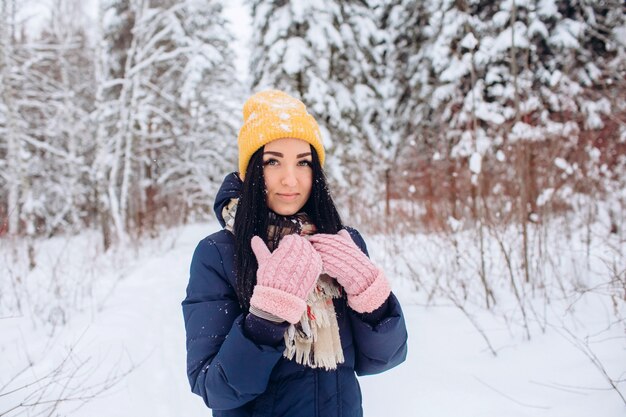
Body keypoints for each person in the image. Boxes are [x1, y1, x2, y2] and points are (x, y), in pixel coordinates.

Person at [181, 90, 408, 417]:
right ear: (249, 173)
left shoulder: (343, 243)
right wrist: (266, 317)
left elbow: (383, 358)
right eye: (272, 161)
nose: (290, 179)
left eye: (303, 162)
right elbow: (214, 387)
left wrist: (371, 296)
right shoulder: (218, 253)